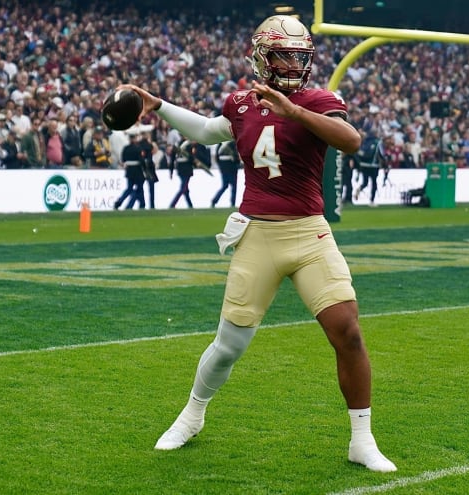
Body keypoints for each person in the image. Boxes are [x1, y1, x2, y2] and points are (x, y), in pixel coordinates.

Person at [117, 14, 396, 472]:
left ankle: (361, 440)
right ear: (262, 58)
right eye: (284, 54)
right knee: (229, 346)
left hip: (309, 232)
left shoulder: (318, 99)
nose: (292, 64)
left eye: (299, 56)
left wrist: (296, 112)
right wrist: (158, 104)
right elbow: (207, 132)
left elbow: (351, 140)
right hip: (258, 234)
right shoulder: (241, 103)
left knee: (347, 332)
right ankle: (192, 415)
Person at [114, 131, 146, 210]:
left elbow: (123, 159)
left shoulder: (126, 148)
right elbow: (141, 160)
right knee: (140, 188)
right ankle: (141, 204)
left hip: (129, 170)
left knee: (129, 188)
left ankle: (119, 202)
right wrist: (145, 169)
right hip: (137, 170)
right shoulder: (138, 148)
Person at [354, 131, 386, 207]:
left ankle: (359, 188)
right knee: (374, 183)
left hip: (364, 165)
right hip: (374, 165)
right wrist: (384, 161)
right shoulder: (378, 142)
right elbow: (381, 153)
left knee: (365, 182)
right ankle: (372, 201)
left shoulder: (365, 141)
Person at [211, 140, 240, 208]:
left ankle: (214, 201)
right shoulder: (232, 144)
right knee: (233, 187)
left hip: (223, 168)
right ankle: (232, 203)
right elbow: (236, 157)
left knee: (224, 186)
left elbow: (217, 158)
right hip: (232, 168)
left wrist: (221, 166)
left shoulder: (220, 144)